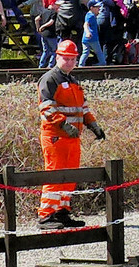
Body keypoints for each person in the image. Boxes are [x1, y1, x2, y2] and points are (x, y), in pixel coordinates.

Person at [36, 40, 106, 228]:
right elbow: (46, 107)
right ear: (57, 57)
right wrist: (64, 125)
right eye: (65, 58)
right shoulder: (50, 79)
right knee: (55, 174)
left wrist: (93, 125)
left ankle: (61, 211)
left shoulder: (72, 81)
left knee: (70, 176)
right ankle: (46, 215)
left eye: (72, 59)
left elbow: (82, 107)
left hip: (72, 137)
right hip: (55, 136)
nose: (69, 62)